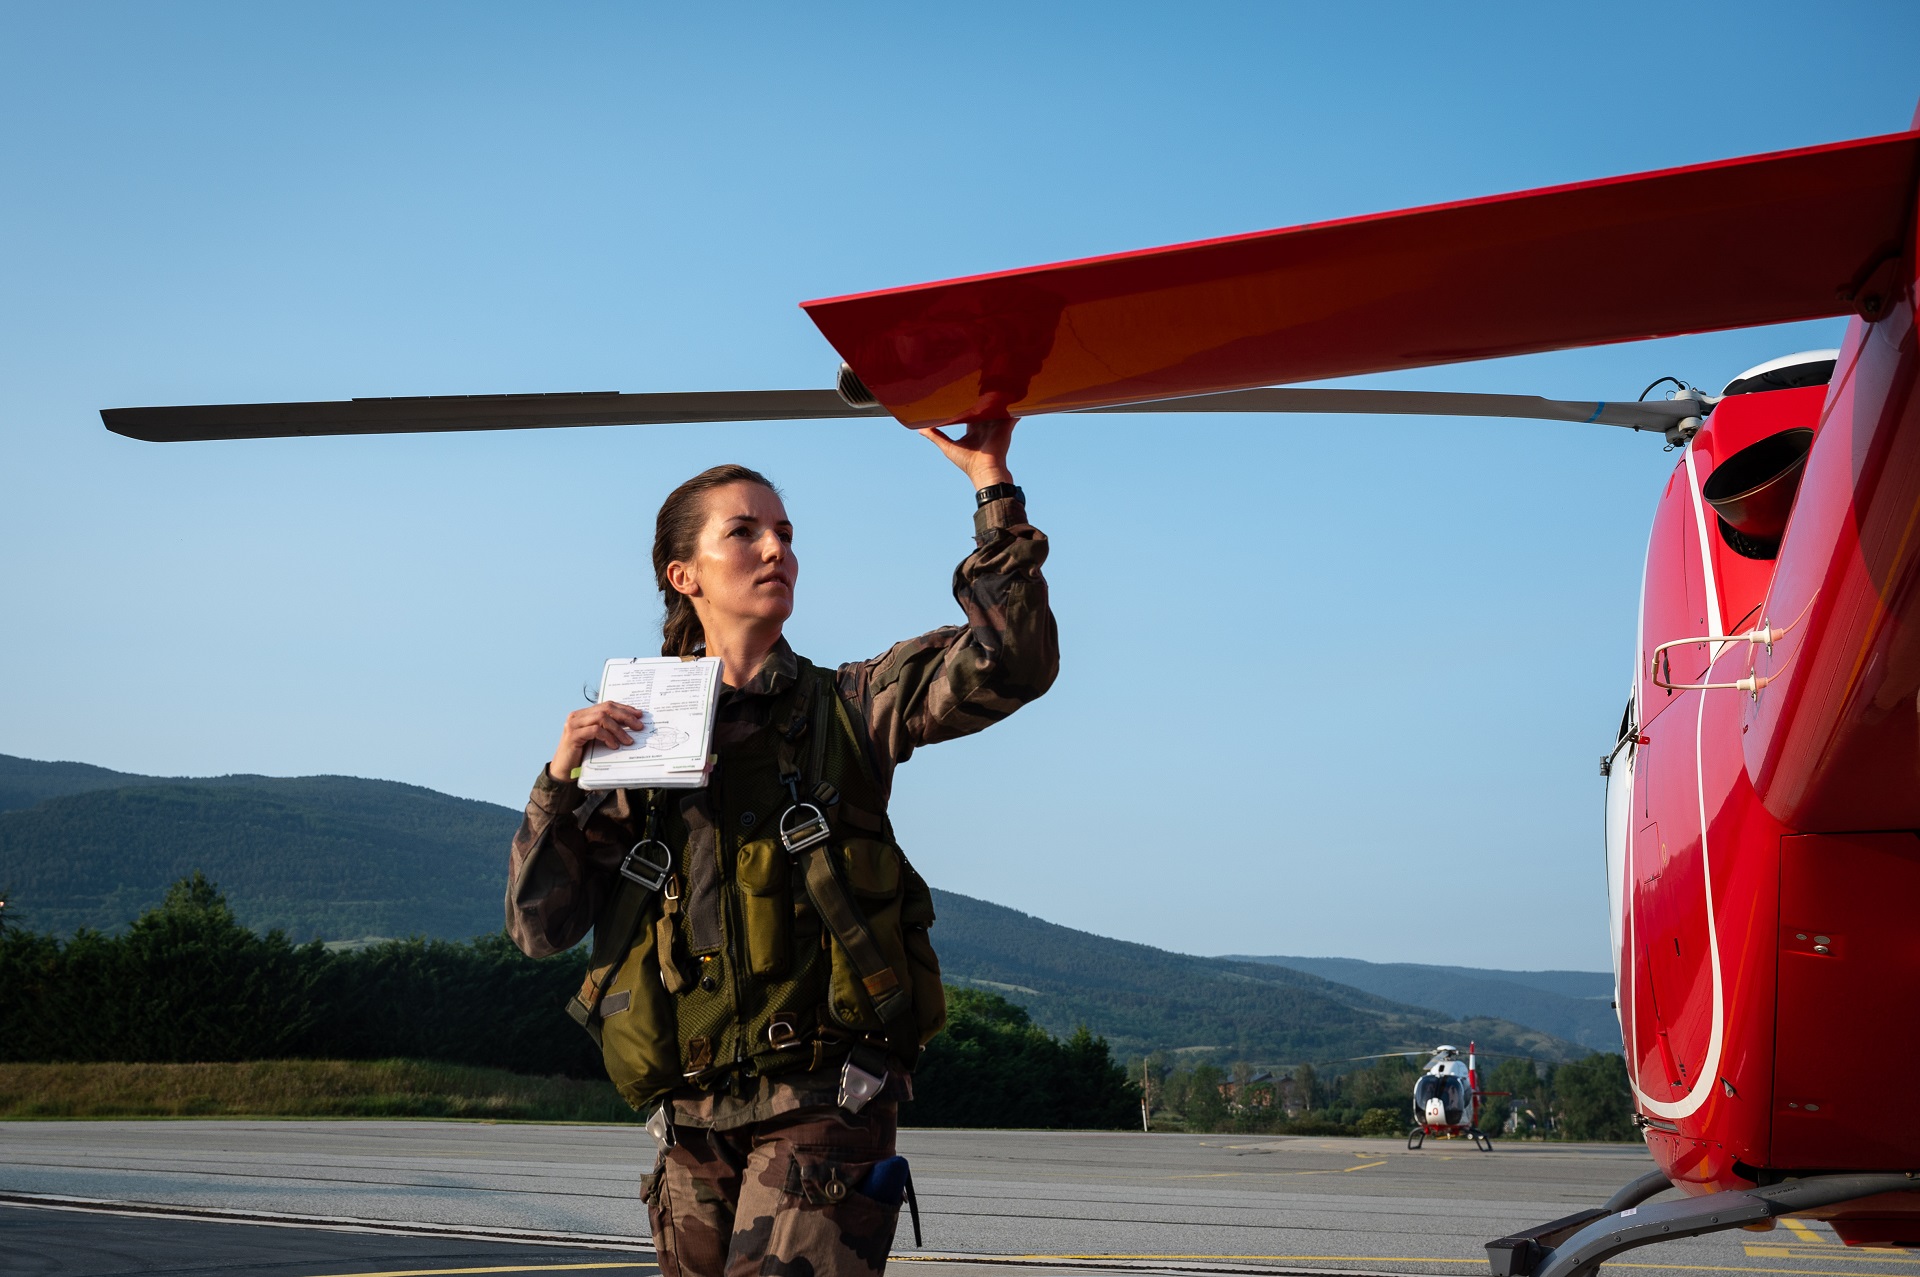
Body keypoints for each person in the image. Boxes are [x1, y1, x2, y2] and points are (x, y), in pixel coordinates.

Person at [505, 417, 1056, 1277]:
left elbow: (1010, 660)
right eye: (745, 531)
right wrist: (562, 778)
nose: (776, 550)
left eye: (786, 533)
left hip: (824, 1099)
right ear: (681, 574)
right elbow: (540, 927)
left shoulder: (852, 704)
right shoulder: (637, 740)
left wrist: (992, 489)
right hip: (688, 1119)